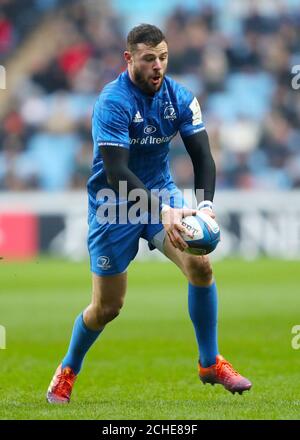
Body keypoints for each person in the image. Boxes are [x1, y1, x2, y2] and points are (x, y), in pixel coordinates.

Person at [46, 24, 252, 404]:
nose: (158, 66)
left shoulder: (181, 97)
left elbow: (203, 157)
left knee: (201, 266)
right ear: (129, 59)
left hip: (161, 196)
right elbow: (116, 172)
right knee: (107, 308)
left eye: (163, 57)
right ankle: (68, 368)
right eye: (148, 59)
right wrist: (165, 211)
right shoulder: (112, 101)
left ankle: (210, 362)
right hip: (114, 205)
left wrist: (204, 207)